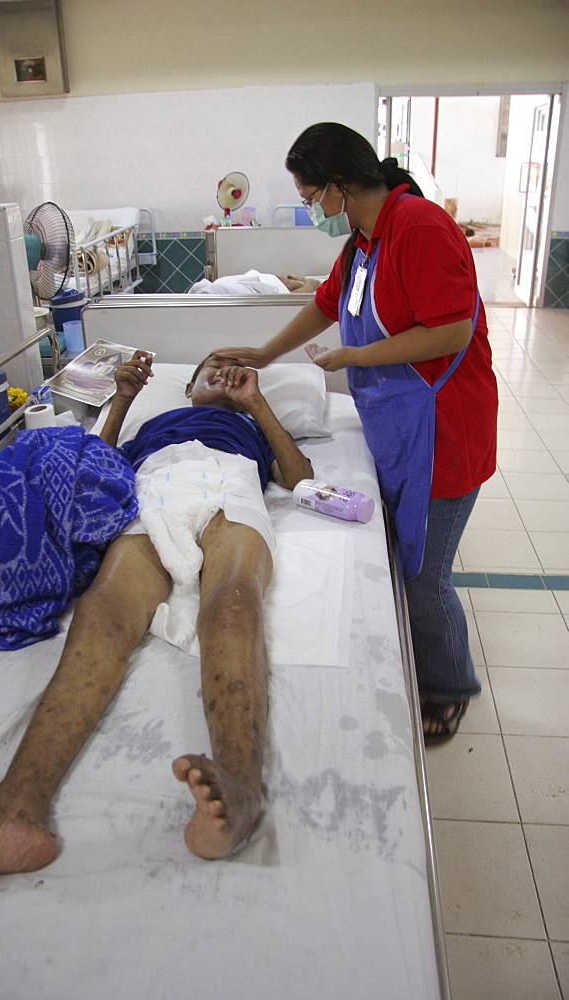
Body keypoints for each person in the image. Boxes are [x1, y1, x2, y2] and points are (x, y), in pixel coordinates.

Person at [0, 352, 313, 883]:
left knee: (232, 600)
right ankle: (16, 806)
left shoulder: (246, 423)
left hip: (229, 481)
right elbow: (98, 460)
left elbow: (300, 477)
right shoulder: (155, 422)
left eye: (235, 367)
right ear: (188, 385)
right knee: (103, 611)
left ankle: (240, 782)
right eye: (213, 365)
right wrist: (123, 399)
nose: (225, 370)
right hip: (152, 488)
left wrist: (255, 404)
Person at [215, 122, 498, 745]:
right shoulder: (365, 242)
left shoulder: (417, 226)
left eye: (313, 196)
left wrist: (351, 360)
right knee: (407, 557)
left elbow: (449, 331)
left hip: (445, 428)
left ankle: (450, 687)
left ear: (340, 186)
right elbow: (325, 301)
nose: (313, 208)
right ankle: (421, 658)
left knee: (426, 577)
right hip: (401, 424)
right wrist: (265, 354)